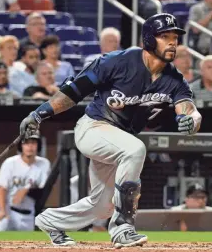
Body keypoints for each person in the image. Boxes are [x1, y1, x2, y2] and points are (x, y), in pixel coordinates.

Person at [19, 13, 202, 248]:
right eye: (165, 36)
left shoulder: (174, 79)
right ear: (148, 39)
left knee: (101, 206)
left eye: (175, 37)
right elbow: (75, 91)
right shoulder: (118, 61)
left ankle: (51, 221)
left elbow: (188, 109)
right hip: (93, 128)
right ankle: (123, 227)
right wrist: (39, 113)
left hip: (118, 139)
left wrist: (191, 119)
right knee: (136, 150)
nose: (172, 42)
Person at [0, 132, 51, 231]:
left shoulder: (44, 164)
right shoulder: (10, 163)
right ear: (21, 146)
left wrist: (25, 190)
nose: (30, 146)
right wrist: (2, 211)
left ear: (38, 145)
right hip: (8, 209)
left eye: (33, 143)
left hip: (28, 214)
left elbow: (42, 190)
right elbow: (1, 188)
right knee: (1, 235)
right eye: (26, 143)